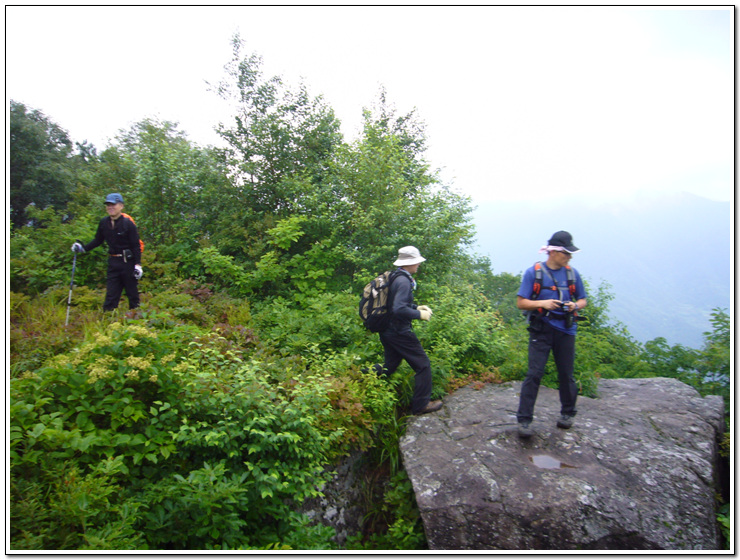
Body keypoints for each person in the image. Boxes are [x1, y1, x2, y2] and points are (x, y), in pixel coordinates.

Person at [515, 231, 587, 438]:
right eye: (566, 253)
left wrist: (575, 305)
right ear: (553, 252)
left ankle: (568, 414)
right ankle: (524, 420)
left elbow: (583, 300)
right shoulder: (534, 273)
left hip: (566, 329)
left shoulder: (572, 274)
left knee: (566, 374)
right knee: (534, 374)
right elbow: (521, 302)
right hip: (541, 329)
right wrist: (543, 303)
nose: (569, 257)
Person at [367, 246, 443, 415]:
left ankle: (360, 378)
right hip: (399, 332)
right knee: (423, 365)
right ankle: (421, 405)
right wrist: (419, 314)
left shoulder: (396, 276)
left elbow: (393, 303)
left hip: (387, 330)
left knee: (390, 366)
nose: (419, 265)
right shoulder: (403, 281)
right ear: (410, 263)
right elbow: (398, 309)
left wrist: (416, 306)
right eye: (417, 262)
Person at [71, 193, 143, 311]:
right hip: (113, 261)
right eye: (108, 205)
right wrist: (83, 248)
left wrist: (138, 265)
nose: (110, 207)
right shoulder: (104, 222)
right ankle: (108, 319)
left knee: (132, 293)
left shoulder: (128, 223)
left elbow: (136, 246)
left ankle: (137, 320)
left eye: (113, 205)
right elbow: (98, 240)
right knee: (111, 294)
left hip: (127, 262)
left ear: (121, 206)